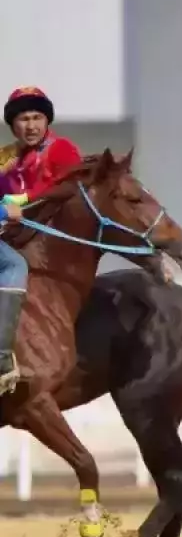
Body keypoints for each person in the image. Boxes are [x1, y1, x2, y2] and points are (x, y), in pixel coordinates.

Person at [0, 86, 83, 393]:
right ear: (13, 125)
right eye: (23, 118)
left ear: (47, 121)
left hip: (40, 237)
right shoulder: (5, 157)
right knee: (14, 266)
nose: (31, 125)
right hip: (13, 235)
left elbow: (69, 186)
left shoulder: (61, 150)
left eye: (37, 117)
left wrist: (22, 200)